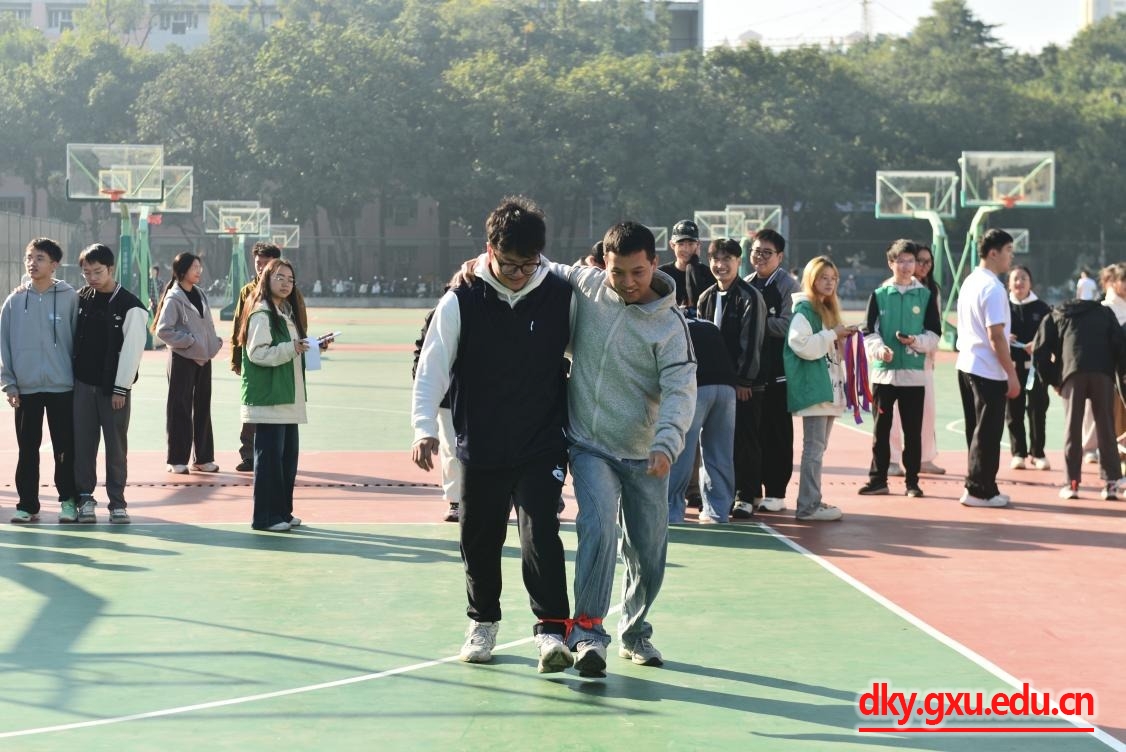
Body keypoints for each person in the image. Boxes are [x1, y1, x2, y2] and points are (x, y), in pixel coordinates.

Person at [412, 196, 573, 673]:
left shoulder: (560, 295)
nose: (519, 274)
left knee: (540, 533)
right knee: (479, 538)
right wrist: (423, 428)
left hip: (541, 441)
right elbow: (432, 368)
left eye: (528, 264)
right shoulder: (460, 299)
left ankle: (552, 630)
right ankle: (482, 621)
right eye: (508, 265)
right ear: (489, 251)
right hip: (480, 443)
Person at [543, 222, 695, 677]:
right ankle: (588, 633)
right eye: (617, 272)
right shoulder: (591, 287)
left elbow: (680, 391)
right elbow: (543, 266)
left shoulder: (670, 326)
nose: (627, 282)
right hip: (590, 445)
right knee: (597, 527)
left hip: (648, 455)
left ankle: (635, 630)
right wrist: (483, 264)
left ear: (654, 264)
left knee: (648, 552)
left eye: (638, 272)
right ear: (602, 265)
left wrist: (666, 443)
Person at [1, 238, 79, 523]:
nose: (32, 263)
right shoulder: (14, 301)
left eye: (40, 258)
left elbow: (78, 342)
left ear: (54, 264)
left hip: (62, 387)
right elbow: (4, 345)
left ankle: (68, 501)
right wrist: (9, 383)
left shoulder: (70, 298)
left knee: (64, 449)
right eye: (29, 257)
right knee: (27, 450)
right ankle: (27, 505)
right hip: (26, 389)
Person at [72, 243, 148, 524]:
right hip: (82, 385)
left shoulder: (131, 306)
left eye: (98, 271)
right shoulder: (81, 298)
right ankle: (85, 498)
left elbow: (132, 351)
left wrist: (120, 388)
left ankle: (117, 503)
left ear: (111, 269)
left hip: (113, 391)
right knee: (83, 445)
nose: (92, 277)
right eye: (86, 272)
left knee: (115, 447)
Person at [858, 240, 941, 498]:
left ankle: (912, 482)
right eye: (901, 261)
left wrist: (915, 341)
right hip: (884, 375)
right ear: (890, 263)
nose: (906, 266)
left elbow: (934, 334)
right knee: (881, 430)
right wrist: (880, 350)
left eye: (910, 261)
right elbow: (868, 331)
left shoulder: (925, 296)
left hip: (914, 376)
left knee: (912, 432)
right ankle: (877, 480)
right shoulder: (879, 294)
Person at [1032, 282, 1126, 500]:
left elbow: (1040, 350)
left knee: (1072, 427)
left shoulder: (1059, 313)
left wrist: (1054, 380)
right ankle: (1111, 482)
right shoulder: (1105, 313)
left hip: (1072, 372)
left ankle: (1072, 483)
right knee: (1106, 427)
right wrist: (1118, 375)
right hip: (1102, 373)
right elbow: (1120, 346)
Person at [238, 258, 311, 532]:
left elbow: (289, 349)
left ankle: (282, 512)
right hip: (270, 399)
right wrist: (293, 347)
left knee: (287, 461)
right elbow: (257, 353)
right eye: (279, 277)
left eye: (290, 279)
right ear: (266, 279)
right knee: (269, 461)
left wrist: (309, 347)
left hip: (286, 397)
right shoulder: (262, 313)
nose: (286, 283)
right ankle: (265, 517)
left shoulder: (284, 312)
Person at [696, 238, 766, 518]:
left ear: (739, 261)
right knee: (713, 443)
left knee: (744, 440)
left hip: (741, 386)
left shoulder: (749, 297)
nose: (721, 265)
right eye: (716, 259)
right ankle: (716, 498)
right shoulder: (706, 297)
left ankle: (745, 496)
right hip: (711, 383)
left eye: (727, 259)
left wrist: (743, 380)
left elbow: (752, 342)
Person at [231, 242, 311, 473]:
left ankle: (266, 469)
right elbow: (240, 329)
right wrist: (236, 359)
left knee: (280, 446)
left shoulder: (291, 297)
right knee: (256, 417)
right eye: (259, 263)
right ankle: (248, 456)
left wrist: (309, 345)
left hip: (285, 369)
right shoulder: (252, 298)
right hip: (265, 368)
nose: (261, 267)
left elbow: (299, 327)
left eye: (267, 264)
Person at [955, 229, 1020, 508]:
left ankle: (984, 486)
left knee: (977, 431)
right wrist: (1011, 373)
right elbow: (995, 335)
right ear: (993, 253)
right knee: (988, 433)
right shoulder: (993, 288)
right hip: (986, 369)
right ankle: (978, 491)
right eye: (1008, 251)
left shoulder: (970, 281)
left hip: (967, 365)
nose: (1011, 257)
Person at [785, 256, 851, 522]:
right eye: (824, 277)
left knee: (818, 449)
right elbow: (800, 344)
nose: (830, 283)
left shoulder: (826, 310)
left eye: (833, 278)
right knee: (813, 449)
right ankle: (807, 506)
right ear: (812, 279)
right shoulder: (805, 310)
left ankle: (813, 498)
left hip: (829, 388)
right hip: (815, 389)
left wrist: (840, 337)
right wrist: (833, 334)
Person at [741, 228, 800, 513]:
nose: (760, 257)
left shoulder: (788, 286)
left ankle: (776, 492)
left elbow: (790, 325)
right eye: (756, 251)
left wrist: (755, 323)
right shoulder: (747, 283)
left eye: (767, 253)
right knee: (753, 433)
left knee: (778, 433)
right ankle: (752, 489)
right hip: (752, 376)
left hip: (778, 373)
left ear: (780, 256)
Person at [154, 252, 223, 474]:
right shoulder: (174, 298)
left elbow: (206, 325)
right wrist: (189, 341)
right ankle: (176, 459)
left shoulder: (200, 293)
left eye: (199, 266)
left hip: (204, 359)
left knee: (203, 407)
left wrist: (213, 343)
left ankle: (203, 458)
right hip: (182, 359)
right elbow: (163, 330)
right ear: (182, 271)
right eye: (194, 267)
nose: (199, 270)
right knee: (180, 409)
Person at [666, 313, 736, 524]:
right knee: (720, 452)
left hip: (696, 387)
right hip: (727, 387)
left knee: (681, 451)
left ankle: (671, 510)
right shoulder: (708, 325)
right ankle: (718, 511)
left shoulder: (670, 324)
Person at [887, 244, 945, 476]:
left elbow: (936, 325)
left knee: (927, 411)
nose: (923, 266)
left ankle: (924, 457)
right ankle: (892, 460)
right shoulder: (890, 289)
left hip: (923, 359)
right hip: (895, 359)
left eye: (927, 262)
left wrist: (929, 350)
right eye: (919, 260)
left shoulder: (932, 290)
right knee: (893, 414)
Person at [411, 303, 462, 523]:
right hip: (449, 396)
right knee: (452, 449)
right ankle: (456, 500)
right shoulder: (443, 310)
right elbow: (424, 354)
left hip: (486, 396)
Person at [1006, 265, 1052, 471]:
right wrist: (1004, 337)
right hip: (1011, 366)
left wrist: (1038, 343)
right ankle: (1018, 453)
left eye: (1023, 278)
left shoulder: (1042, 308)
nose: (1020, 282)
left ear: (1030, 282)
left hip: (1037, 368)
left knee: (1037, 410)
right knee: (1013, 410)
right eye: (1015, 278)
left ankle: (1038, 453)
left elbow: (1052, 335)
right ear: (1009, 284)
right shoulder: (1003, 306)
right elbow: (992, 331)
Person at [658, 219, 716, 318]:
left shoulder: (708, 274)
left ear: (698, 244)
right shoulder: (662, 275)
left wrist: (693, 264)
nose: (686, 249)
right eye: (681, 244)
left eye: (690, 244)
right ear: (672, 245)